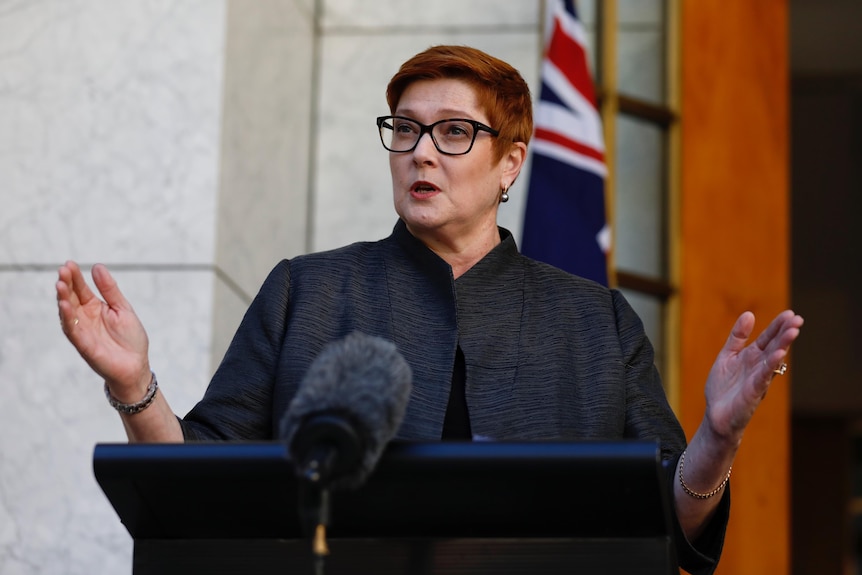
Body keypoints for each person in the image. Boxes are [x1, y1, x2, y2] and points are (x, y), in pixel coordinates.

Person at [56, 45, 803, 574]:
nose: (420, 152)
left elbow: (675, 516)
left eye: (453, 131)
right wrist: (134, 384)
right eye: (406, 129)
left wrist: (718, 435)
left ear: (510, 163)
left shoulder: (595, 321)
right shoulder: (305, 291)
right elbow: (200, 482)